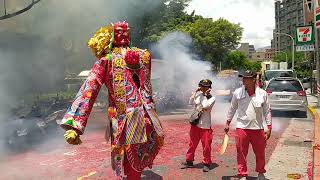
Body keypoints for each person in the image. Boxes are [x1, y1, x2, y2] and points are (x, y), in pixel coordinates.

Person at [59, 21, 164, 180]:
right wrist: (75, 126)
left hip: (135, 120)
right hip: (136, 119)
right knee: (130, 162)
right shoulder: (135, 57)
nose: (123, 35)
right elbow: (90, 89)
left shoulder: (131, 57)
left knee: (129, 163)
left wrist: (75, 126)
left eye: (124, 32)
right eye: (121, 32)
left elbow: (90, 88)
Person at [224, 70, 272, 180]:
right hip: (242, 128)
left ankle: (261, 173)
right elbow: (232, 108)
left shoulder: (262, 94)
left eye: (246, 78)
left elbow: (267, 111)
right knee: (241, 152)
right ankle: (242, 174)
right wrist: (228, 122)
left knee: (260, 153)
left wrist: (269, 127)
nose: (243, 80)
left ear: (253, 79)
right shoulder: (237, 93)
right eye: (243, 78)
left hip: (258, 128)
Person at [181, 79, 216, 172]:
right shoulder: (199, 95)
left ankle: (207, 163)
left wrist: (206, 95)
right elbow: (190, 102)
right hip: (195, 125)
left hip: (205, 126)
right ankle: (189, 161)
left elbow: (205, 106)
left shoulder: (212, 98)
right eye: (202, 86)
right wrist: (195, 92)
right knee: (192, 144)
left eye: (206, 86)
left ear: (210, 88)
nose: (204, 88)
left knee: (207, 146)